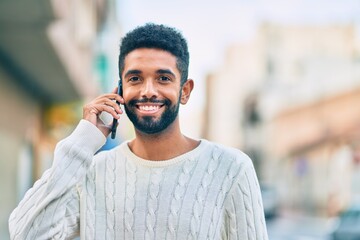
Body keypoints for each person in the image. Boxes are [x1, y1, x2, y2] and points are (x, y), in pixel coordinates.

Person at [9, 23, 268, 240]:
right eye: (135, 79)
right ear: (120, 89)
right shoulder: (92, 171)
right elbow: (25, 234)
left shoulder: (232, 169)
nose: (148, 90)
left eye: (163, 78)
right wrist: (82, 142)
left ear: (185, 91)